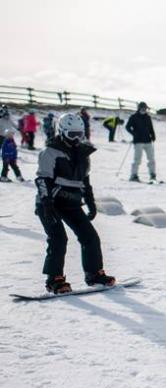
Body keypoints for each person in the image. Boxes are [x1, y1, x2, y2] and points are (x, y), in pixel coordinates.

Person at [34, 113, 115, 293]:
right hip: (50, 203)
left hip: (71, 202)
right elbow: (42, 180)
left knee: (90, 237)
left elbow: (85, 182)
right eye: (72, 134)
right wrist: (46, 203)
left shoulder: (83, 154)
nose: (76, 139)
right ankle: (54, 279)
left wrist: (90, 203)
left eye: (80, 134)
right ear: (62, 132)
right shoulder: (50, 152)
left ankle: (94, 274)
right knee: (58, 238)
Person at [125, 101, 157, 182]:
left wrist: (153, 135)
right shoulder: (133, 117)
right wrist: (134, 134)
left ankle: (152, 175)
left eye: (145, 108)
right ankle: (133, 175)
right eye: (143, 108)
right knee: (137, 159)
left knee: (151, 159)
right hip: (138, 141)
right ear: (139, 108)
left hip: (148, 141)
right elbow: (127, 127)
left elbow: (151, 128)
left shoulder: (148, 117)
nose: (144, 110)